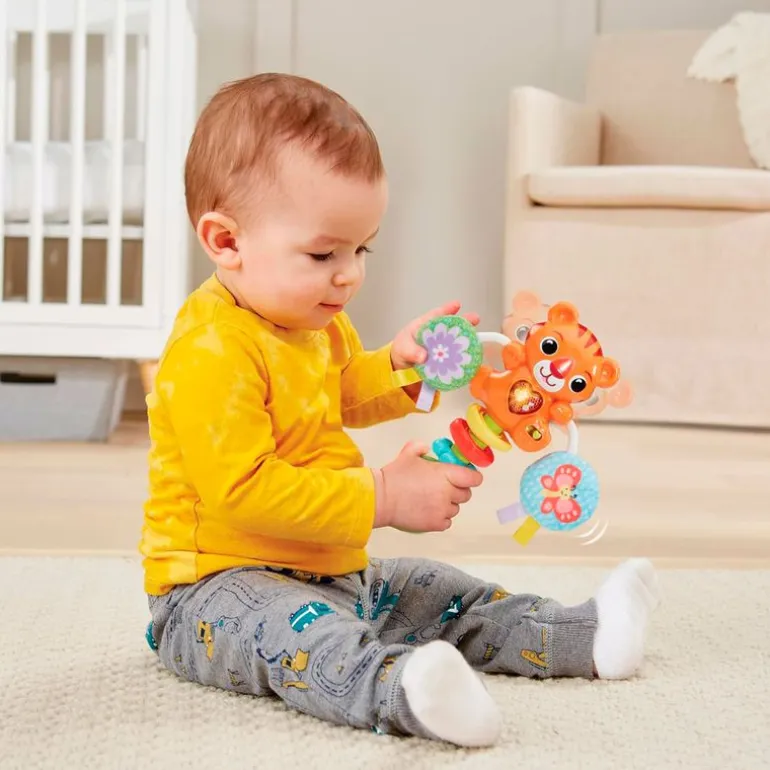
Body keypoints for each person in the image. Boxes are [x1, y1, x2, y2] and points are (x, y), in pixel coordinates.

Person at [139, 73, 659, 748]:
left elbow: (343, 390)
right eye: (323, 252)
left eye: (362, 248)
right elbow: (242, 492)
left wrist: (403, 365)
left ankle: (584, 636)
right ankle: (406, 692)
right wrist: (384, 495)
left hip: (332, 569)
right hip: (214, 591)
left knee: (442, 592)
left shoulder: (313, 322)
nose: (349, 273)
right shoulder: (210, 350)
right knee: (306, 640)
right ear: (226, 241)